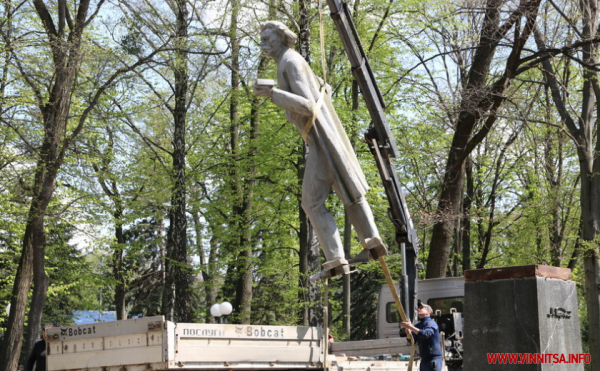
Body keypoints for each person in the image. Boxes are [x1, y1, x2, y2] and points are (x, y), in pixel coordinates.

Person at [252, 21, 387, 280]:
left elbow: (307, 105)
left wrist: (273, 93)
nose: (263, 43)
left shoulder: (290, 61)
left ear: (282, 38)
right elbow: (321, 91)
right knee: (348, 191)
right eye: (262, 39)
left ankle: (338, 259)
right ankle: (371, 243)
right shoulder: (293, 61)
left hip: (321, 138)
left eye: (268, 38)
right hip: (323, 137)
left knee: (312, 202)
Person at [400, 304, 442, 371]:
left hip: (433, 360)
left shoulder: (431, 323)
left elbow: (426, 334)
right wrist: (408, 334)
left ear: (428, 312)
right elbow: (412, 341)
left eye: (421, 308)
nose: (418, 309)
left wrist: (411, 327)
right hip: (424, 361)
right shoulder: (418, 325)